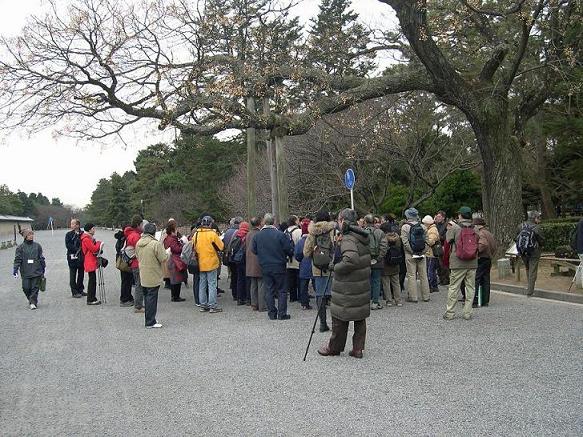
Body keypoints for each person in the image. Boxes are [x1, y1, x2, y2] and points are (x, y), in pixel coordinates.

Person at [318, 208, 371, 359]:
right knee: (359, 317)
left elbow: (351, 260)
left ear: (343, 221)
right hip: (360, 284)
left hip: (347, 285)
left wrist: (335, 267)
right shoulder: (362, 236)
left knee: (340, 317)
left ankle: (334, 348)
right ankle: (358, 349)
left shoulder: (348, 238)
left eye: (339, 220)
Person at [252, 213, 293, 320]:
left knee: (269, 289)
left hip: (265, 266)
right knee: (281, 290)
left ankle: (271, 313)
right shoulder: (280, 235)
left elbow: (254, 250)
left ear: (264, 222)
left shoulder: (257, 236)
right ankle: (282, 313)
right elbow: (288, 249)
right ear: (273, 222)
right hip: (279, 265)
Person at [443, 207, 479, 320]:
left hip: (457, 262)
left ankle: (450, 313)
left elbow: (448, 240)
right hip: (472, 261)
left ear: (461, 215)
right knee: (470, 288)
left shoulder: (455, 227)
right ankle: (467, 313)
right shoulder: (476, 228)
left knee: (454, 287)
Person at [136, 223, 168, 328]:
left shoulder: (139, 243)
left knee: (147, 297)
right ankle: (150, 322)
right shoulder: (155, 244)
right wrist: (167, 253)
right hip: (153, 274)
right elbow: (163, 258)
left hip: (143, 273)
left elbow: (137, 256)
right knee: (152, 299)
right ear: (154, 233)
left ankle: (149, 318)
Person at [195, 216, 225, 313]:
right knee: (212, 284)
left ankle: (203, 305)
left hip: (200, 262)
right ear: (210, 224)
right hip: (211, 262)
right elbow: (221, 246)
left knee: (202, 284)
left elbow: (194, 246)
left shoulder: (196, 234)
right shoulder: (212, 234)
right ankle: (213, 305)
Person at [401, 208, 430, 303]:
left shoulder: (405, 227)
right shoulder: (423, 226)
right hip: (422, 254)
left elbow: (405, 243)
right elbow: (427, 241)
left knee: (411, 275)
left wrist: (412, 252)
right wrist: (423, 251)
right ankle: (426, 296)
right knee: (423, 275)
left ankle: (413, 297)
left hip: (410, 254)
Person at [13, 229, 45, 310]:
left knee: (35, 287)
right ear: (25, 236)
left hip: (36, 270)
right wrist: (15, 269)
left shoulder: (37, 246)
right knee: (25, 287)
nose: (31, 236)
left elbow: (41, 257)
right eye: (29, 234)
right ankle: (31, 299)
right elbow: (17, 259)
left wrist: (43, 267)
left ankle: (33, 302)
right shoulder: (20, 247)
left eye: (32, 234)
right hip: (25, 271)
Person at [516, 210, 544, 297]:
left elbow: (516, 238)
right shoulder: (537, 228)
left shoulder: (520, 226)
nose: (539, 220)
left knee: (528, 268)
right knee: (533, 270)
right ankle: (530, 291)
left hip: (523, 251)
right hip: (534, 251)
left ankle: (529, 287)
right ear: (535, 218)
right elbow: (542, 240)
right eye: (538, 218)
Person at [363, 214, 387, 309]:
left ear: (365, 222)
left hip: (365, 260)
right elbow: (384, 247)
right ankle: (375, 302)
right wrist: (379, 258)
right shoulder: (380, 232)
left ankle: (366, 302)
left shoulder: (362, 232)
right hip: (377, 260)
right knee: (376, 281)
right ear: (374, 222)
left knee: (366, 281)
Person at [124, 216, 147, 313]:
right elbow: (140, 250)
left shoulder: (131, 235)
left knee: (139, 284)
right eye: (142, 224)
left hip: (134, 263)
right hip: (137, 263)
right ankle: (138, 306)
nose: (143, 226)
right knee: (139, 284)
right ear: (138, 225)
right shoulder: (135, 236)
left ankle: (139, 304)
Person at [473, 217, 497, 307]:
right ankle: (485, 301)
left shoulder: (481, 233)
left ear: (477, 225)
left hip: (482, 258)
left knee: (477, 278)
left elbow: (483, 244)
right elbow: (494, 246)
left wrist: (475, 251)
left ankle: (475, 300)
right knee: (486, 279)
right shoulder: (488, 233)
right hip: (488, 258)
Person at [380, 221, 402, 307]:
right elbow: (399, 247)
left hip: (386, 263)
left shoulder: (384, 238)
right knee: (396, 283)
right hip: (395, 262)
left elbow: (383, 250)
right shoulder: (397, 237)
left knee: (386, 283)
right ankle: (398, 300)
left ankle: (389, 301)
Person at [163, 221, 187, 302]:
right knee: (176, 279)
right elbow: (176, 249)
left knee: (174, 279)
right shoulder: (172, 239)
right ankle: (175, 296)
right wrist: (183, 245)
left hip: (171, 259)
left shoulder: (168, 238)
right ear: (173, 229)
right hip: (175, 260)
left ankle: (175, 296)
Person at [80, 223, 103, 306]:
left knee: (92, 279)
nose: (94, 230)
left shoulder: (87, 237)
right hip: (89, 260)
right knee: (92, 281)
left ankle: (92, 297)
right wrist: (99, 243)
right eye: (93, 228)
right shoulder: (86, 239)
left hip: (90, 259)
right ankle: (90, 299)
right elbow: (93, 249)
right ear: (89, 230)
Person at [246, 217, 265, 311]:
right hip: (259, 261)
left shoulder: (248, 234)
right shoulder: (260, 234)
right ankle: (262, 305)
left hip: (250, 262)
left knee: (253, 284)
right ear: (259, 223)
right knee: (261, 284)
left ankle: (254, 304)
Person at [294, 219, 313, 311]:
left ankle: (304, 303)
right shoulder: (314, 240)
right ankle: (322, 300)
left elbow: (297, 254)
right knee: (316, 284)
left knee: (303, 285)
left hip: (304, 265)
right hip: (314, 264)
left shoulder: (300, 242)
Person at [223, 217, 243, 300]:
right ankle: (239, 294)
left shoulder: (227, 232)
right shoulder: (239, 232)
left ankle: (234, 294)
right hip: (236, 257)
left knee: (233, 276)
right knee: (238, 276)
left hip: (229, 256)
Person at [65, 219, 85, 298]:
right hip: (72, 256)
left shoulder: (82, 233)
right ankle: (74, 291)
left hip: (81, 256)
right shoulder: (68, 234)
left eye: (73, 224)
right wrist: (77, 249)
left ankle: (80, 289)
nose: (72, 225)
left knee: (81, 274)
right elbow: (68, 245)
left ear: (78, 225)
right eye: (71, 224)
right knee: (72, 274)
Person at [284, 215, 302, 303]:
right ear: (295, 221)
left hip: (288, 258)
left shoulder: (285, 231)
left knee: (290, 279)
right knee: (299, 278)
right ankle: (300, 295)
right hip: (297, 258)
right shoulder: (299, 231)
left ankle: (292, 296)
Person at [114, 228, 134, 306]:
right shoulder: (125, 239)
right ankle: (124, 299)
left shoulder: (121, 238)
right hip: (125, 262)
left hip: (121, 261)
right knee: (126, 280)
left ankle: (128, 297)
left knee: (126, 280)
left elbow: (117, 248)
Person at [232, 221, 250, 305]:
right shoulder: (247, 235)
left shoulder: (236, 235)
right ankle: (246, 297)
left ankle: (239, 298)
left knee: (239, 279)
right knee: (247, 279)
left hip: (237, 260)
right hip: (245, 260)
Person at [423, 215, 440, 294]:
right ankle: (434, 286)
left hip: (431, 253)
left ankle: (431, 286)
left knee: (430, 270)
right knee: (432, 270)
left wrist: (424, 240)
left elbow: (431, 241)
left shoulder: (432, 230)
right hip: (431, 253)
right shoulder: (432, 229)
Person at [435, 210, 450, 285]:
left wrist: (439, 237)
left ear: (443, 217)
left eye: (439, 216)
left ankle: (446, 279)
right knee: (438, 264)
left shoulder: (447, 225)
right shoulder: (436, 224)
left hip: (444, 245)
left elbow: (448, 235)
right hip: (437, 245)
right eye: (437, 216)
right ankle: (441, 278)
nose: (437, 218)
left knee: (443, 264)